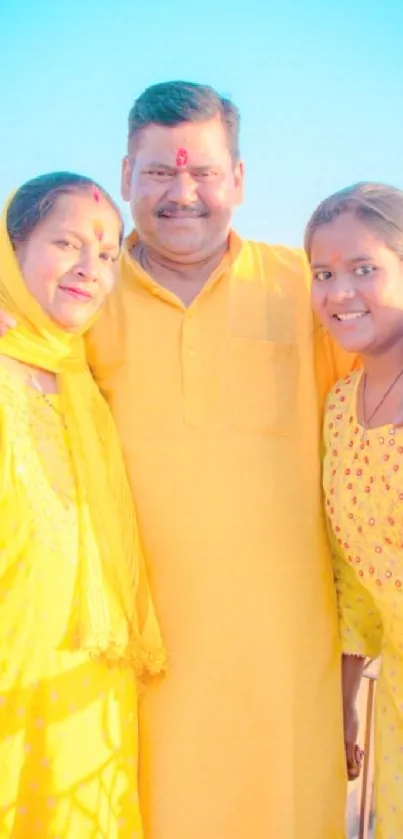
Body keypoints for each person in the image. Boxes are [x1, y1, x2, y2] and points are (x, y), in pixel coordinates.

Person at [83, 81, 359, 839]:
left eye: (203, 172)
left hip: (283, 669)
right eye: (159, 173)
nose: (183, 193)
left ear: (238, 178)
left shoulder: (306, 288)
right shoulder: (79, 299)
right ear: (125, 176)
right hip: (130, 670)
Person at [0, 172, 165, 839]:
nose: (88, 268)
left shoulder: (83, 375)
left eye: (105, 253)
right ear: (12, 250)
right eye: (64, 242)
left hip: (87, 691)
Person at [306, 181, 403, 839]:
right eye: (323, 273)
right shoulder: (339, 408)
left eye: (363, 268)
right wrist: (342, 703)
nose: (339, 292)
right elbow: (353, 584)